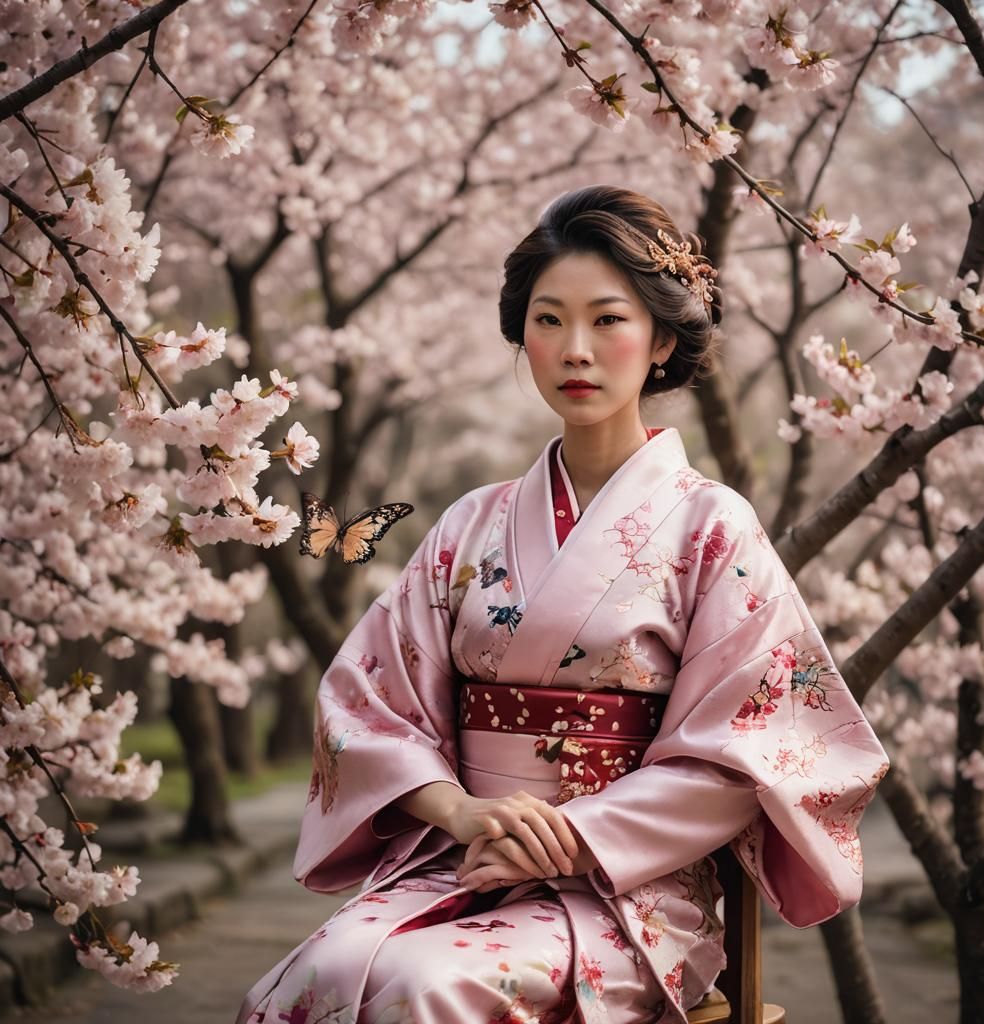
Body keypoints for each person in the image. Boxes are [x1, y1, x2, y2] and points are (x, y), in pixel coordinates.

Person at [235, 185, 890, 1024]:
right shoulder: (469, 524)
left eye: (607, 320)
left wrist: (572, 836)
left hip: (626, 890)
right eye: (548, 321)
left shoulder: (711, 526)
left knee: (434, 987)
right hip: (461, 855)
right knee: (319, 973)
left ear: (660, 340)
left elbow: (747, 750)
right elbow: (366, 708)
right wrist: (465, 812)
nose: (575, 349)